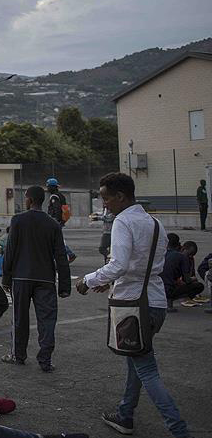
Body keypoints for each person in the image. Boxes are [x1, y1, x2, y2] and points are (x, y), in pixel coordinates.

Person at [77, 172, 192, 438]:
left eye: (106, 199)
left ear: (120, 196)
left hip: (133, 307)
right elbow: (141, 265)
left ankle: (179, 430)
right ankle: (125, 415)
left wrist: (88, 280)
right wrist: (111, 279)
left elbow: (118, 264)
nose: (104, 204)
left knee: (147, 370)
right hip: (156, 302)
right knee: (136, 362)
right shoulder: (154, 223)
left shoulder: (122, 221)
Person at [2, 186, 70, 372]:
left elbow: (10, 251)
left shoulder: (18, 220)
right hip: (46, 279)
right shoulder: (53, 224)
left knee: (20, 319)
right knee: (47, 320)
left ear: (29, 200)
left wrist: (6, 278)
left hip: (21, 277)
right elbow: (61, 256)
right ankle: (45, 360)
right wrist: (64, 285)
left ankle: (18, 354)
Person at [160, 233, 204, 311]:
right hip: (167, 290)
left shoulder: (160, 254)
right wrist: (193, 279)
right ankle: (170, 300)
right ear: (180, 246)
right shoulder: (182, 257)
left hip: (156, 288)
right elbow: (187, 280)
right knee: (199, 286)